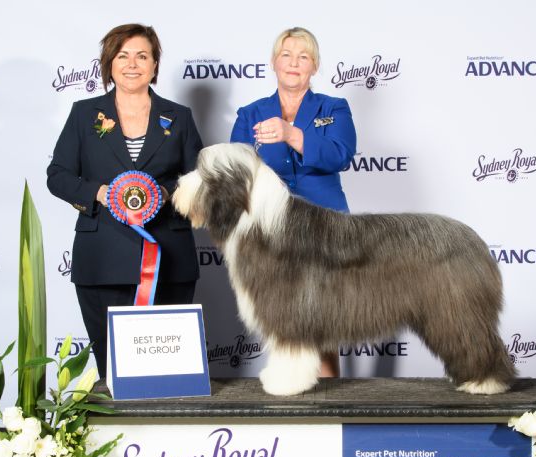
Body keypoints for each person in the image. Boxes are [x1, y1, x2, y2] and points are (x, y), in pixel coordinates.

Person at [48, 24, 202, 379]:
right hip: (101, 260)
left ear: (154, 65)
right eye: (123, 56)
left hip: (169, 259)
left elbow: (201, 177)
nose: (132, 64)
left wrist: (164, 192)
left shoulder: (179, 117)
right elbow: (58, 176)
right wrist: (100, 193)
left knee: (169, 375)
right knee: (113, 372)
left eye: (142, 56)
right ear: (109, 63)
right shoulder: (84, 114)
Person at [230, 27, 357, 377]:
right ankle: (289, 384)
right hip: (268, 230)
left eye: (303, 57)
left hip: (326, 227)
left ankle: (328, 395)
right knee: (280, 312)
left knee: (325, 317)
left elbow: (341, 154)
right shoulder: (250, 114)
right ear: (274, 62)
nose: (294, 63)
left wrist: (292, 135)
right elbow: (237, 170)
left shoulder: (334, 108)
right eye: (286, 55)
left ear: (314, 66)